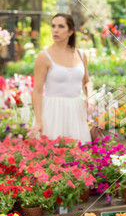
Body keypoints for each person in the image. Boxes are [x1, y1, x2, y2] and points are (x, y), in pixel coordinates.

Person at [29, 13, 93, 143]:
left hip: (76, 110)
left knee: (78, 154)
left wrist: (90, 97)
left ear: (70, 31)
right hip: (53, 111)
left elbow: (86, 81)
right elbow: (36, 91)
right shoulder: (44, 56)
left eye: (61, 26)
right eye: (53, 26)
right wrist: (38, 121)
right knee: (53, 155)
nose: (55, 30)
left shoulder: (81, 54)